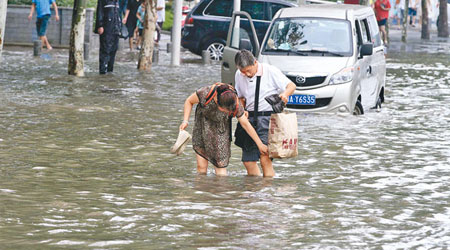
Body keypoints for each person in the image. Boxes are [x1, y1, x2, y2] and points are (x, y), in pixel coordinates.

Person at [180, 83, 268, 176]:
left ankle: (221, 189)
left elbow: (245, 124)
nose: (227, 112)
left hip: (221, 132)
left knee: (220, 169)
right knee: (201, 168)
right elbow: (189, 101)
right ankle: (202, 188)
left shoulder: (235, 103)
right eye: (224, 110)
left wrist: (260, 144)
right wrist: (185, 121)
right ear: (217, 101)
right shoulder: (205, 93)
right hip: (202, 127)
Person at [234, 50, 296, 177]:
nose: (246, 74)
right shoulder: (239, 75)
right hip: (248, 119)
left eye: (248, 71)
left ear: (255, 62)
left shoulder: (270, 70)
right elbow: (240, 96)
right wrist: (242, 108)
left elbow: (291, 86)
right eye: (243, 71)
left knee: (265, 157)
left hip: (267, 118)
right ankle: (254, 191)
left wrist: (285, 94)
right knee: (248, 161)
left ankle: (267, 192)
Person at [95, 0, 121, 74]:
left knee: (114, 50)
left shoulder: (116, 2)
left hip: (115, 29)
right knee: (105, 50)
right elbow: (99, 12)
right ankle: (103, 71)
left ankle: (110, 71)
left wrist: (119, 27)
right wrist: (100, 25)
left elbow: (118, 15)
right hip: (106, 28)